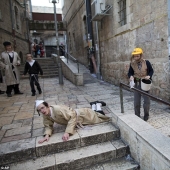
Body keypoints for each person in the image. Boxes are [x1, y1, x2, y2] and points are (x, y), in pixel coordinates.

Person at [35, 100, 110, 144]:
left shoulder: (58, 109)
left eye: (43, 108)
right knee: (96, 113)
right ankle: (94, 104)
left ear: (47, 105)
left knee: (100, 116)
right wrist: (47, 135)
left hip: (83, 115)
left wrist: (67, 132)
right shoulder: (46, 114)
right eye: (39, 110)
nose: (42, 111)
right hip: (79, 117)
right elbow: (48, 125)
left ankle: (98, 104)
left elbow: (73, 116)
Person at [128, 47, 154, 121]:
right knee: (136, 101)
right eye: (134, 56)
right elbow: (130, 72)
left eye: (137, 56)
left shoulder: (147, 62)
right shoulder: (132, 64)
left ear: (141, 55)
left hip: (145, 83)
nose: (136, 58)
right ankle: (137, 116)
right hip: (137, 83)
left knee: (146, 101)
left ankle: (146, 115)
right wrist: (130, 76)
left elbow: (151, 71)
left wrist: (149, 75)